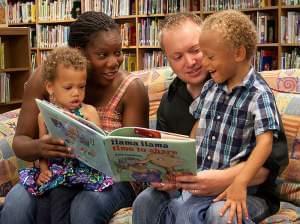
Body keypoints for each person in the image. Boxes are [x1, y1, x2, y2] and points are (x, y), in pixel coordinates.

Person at [133, 12, 288, 224]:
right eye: (177, 57)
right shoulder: (171, 101)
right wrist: (168, 176)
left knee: (219, 213)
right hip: (193, 185)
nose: (193, 62)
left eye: (197, 50)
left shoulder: (253, 93)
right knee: (146, 201)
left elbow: (271, 162)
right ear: (167, 59)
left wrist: (225, 180)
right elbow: (176, 150)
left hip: (250, 192)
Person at [1, 11, 149, 224]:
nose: (114, 62)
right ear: (78, 52)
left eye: (118, 52)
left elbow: (135, 164)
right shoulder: (48, 79)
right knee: (17, 203)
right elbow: (20, 142)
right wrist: (42, 147)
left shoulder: (131, 89)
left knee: (85, 206)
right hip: (56, 174)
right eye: (102, 55)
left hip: (109, 180)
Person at [18, 46, 108, 224]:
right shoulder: (43, 115)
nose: (76, 93)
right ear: (50, 87)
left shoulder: (89, 112)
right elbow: (43, 150)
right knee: (43, 201)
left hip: (82, 171)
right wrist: (43, 171)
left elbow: (101, 145)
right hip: (55, 171)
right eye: (68, 87)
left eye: (81, 87)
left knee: (59, 195)